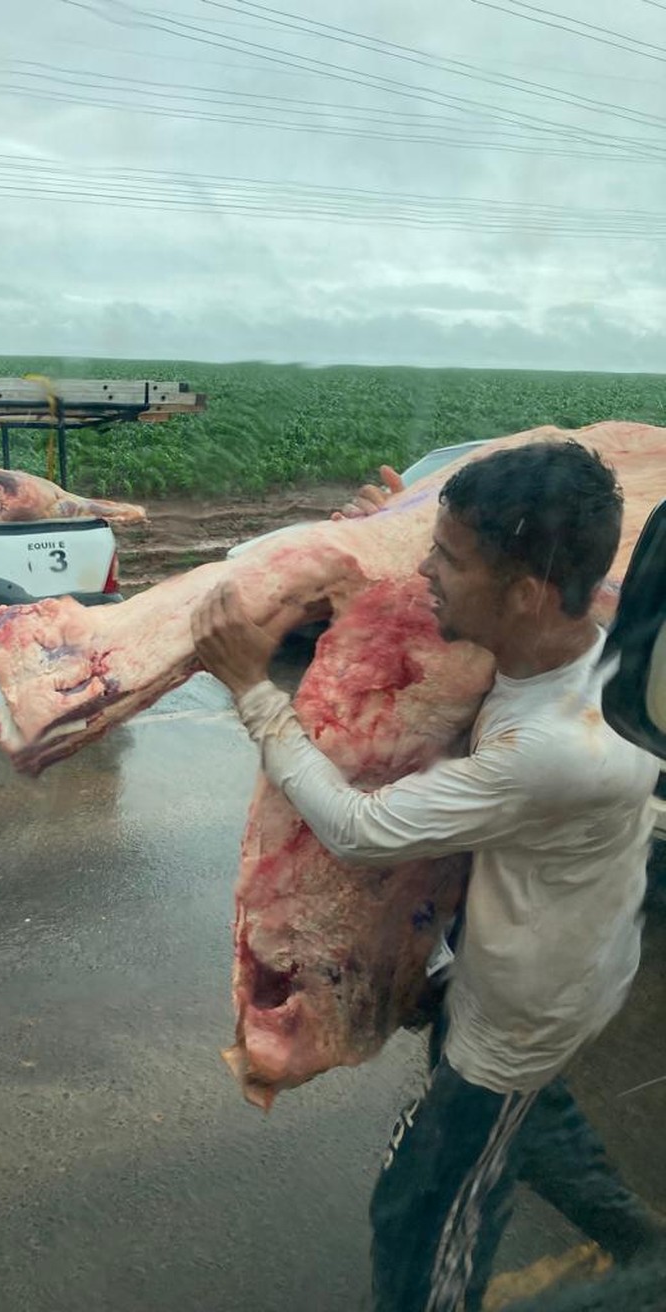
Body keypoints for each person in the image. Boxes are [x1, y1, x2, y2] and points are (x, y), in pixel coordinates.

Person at [190, 440, 664, 1312]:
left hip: (523, 1008)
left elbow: (362, 831)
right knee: (532, 1125)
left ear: (523, 592)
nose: (426, 571)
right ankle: (642, 1242)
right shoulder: (580, 618)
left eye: (448, 560)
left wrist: (255, 690)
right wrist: (396, 529)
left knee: (421, 1212)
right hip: (527, 944)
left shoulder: (558, 748)